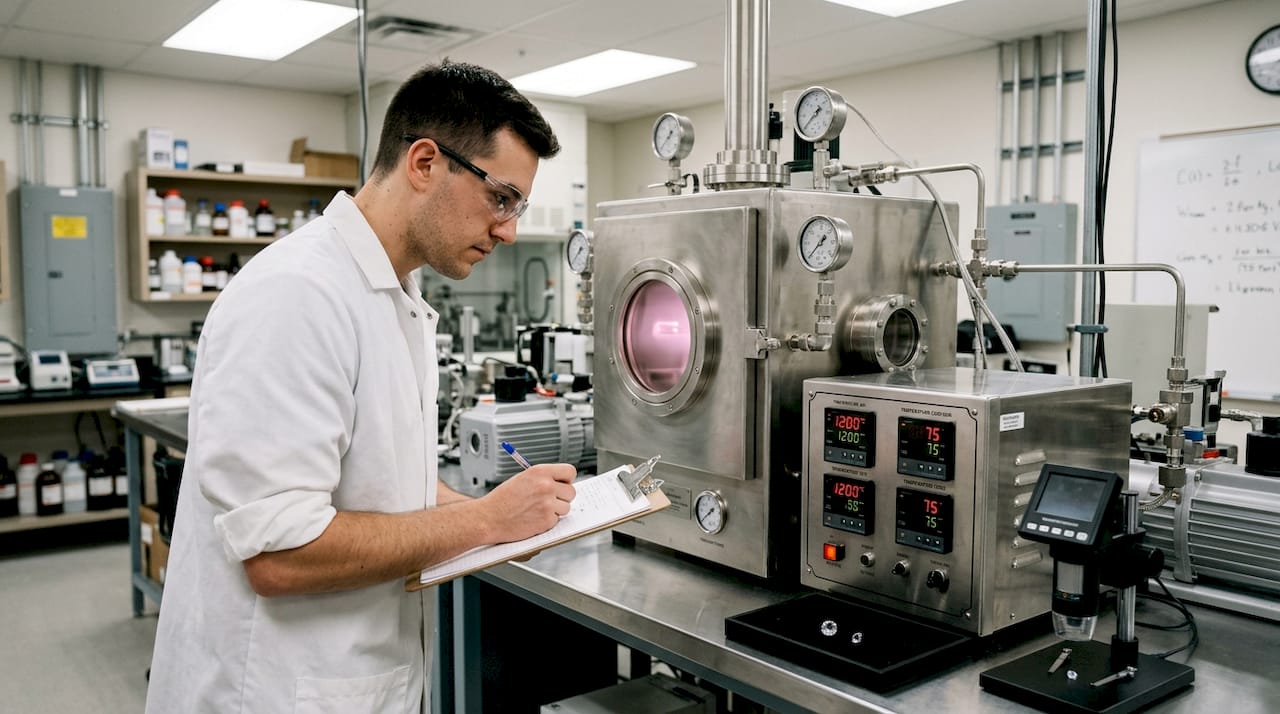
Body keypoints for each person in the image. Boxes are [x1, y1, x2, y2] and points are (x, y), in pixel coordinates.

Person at [145, 60, 573, 713]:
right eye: (501, 198)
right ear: (425, 163)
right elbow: (281, 555)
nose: (509, 230)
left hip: (355, 681)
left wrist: (514, 516)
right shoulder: (298, 295)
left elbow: (383, 481)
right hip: (273, 691)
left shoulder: (393, 295)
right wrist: (486, 520)